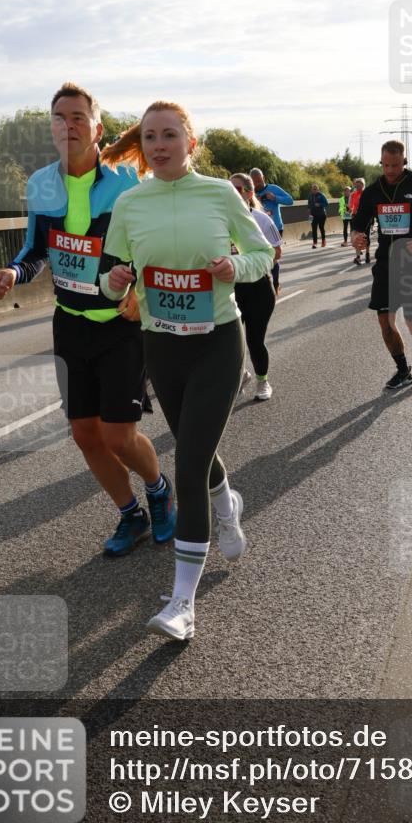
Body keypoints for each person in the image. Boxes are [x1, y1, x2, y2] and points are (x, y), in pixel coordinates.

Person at [99, 102, 273, 641]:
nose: (158, 144)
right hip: (162, 346)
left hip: (218, 342)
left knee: (189, 461)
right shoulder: (131, 203)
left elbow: (262, 254)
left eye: (169, 135)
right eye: (149, 136)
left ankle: (182, 604)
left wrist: (233, 266)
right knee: (197, 448)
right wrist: (119, 279)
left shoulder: (220, 193)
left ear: (190, 143)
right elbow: (107, 280)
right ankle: (228, 502)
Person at [0, 82, 176, 557]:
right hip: (69, 323)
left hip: (119, 322)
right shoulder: (40, 184)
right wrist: (14, 271)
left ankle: (159, 490)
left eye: (77, 117)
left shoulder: (127, 182)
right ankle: (129, 514)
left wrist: (141, 288)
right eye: (58, 117)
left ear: (98, 128)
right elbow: (36, 250)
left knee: (119, 433)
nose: (66, 126)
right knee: (84, 434)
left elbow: (153, 242)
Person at [350, 140, 412, 390]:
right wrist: (356, 236)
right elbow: (358, 222)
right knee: (385, 321)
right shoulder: (373, 191)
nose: (390, 170)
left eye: (395, 165)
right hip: (385, 264)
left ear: (404, 162)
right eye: (386, 165)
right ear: (381, 162)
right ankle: (403, 370)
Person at [229, 173, 282, 401]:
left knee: (254, 340)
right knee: (229, 342)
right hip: (230, 289)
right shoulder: (219, 220)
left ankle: (263, 381)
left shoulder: (261, 219)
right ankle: (241, 375)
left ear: (250, 194)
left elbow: (277, 253)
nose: (233, 193)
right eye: (229, 188)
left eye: (238, 189)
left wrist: (247, 263)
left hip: (258, 288)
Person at [249, 168, 294, 296]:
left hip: (275, 227)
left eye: (260, 181)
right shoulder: (250, 191)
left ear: (263, 178)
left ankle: (275, 283)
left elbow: (290, 200)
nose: (258, 184)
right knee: (259, 256)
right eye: (255, 182)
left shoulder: (273, 188)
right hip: (257, 229)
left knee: (274, 258)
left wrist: (275, 198)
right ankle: (261, 284)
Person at [350, 178, 370, 265]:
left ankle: (367, 254)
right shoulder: (353, 195)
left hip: (366, 218)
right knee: (357, 237)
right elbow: (350, 206)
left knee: (366, 236)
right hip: (356, 217)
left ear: (363, 185)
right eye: (357, 184)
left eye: (360, 184)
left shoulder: (367, 194)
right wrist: (351, 210)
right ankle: (358, 257)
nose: (358, 186)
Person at [308, 183, 329, 247]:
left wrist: (320, 204)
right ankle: (315, 243)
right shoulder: (310, 196)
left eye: (315, 189)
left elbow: (326, 203)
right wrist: (309, 211)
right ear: (311, 189)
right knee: (313, 229)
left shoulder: (321, 195)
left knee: (321, 228)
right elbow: (309, 204)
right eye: (313, 189)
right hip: (312, 215)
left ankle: (323, 241)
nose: (314, 190)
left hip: (321, 214)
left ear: (318, 189)